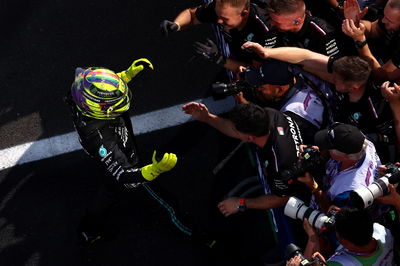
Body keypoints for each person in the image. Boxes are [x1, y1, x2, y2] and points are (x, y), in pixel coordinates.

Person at [65, 59, 178, 243]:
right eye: (114, 104)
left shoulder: (80, 86)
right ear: (99, 109)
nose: (121, 105)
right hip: (117, 162)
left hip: (113, 141)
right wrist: (155, 170)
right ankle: (88, 230)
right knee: (109, 191)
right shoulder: (98, 137)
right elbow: (124, 176)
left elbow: (97, 83)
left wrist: (123, 77)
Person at [242, 41, 397, 162]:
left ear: (354, 87)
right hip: (327, 111)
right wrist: (267, 52)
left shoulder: (375, 109)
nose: (331, 78)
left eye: (336, 80)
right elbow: (307, 57)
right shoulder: (345, 69)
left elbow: (387, 141)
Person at [161, 0, 279, 72]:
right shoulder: (222, 9)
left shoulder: (265, 29)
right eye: (218, 15)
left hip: (264, 66)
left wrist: (219, 59)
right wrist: (176, 25)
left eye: (224, 19)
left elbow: (257, 71)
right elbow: (192, 15)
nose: (219, 21)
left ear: (244, 13)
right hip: (237, 49)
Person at [236, 59, 336, 143]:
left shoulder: (292, 113)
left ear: (279, 90)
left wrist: (244, 104)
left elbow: (266, 134)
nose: (258, 89)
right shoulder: (302, 77)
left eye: (261, 86)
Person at [298, 123, 381, 213]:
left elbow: (329, 211)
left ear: (345, 156)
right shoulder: (361, 142)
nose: (326, 149)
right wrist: (314, 152)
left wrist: (313, 186)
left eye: (329, 148)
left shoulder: (351, 192)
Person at [301, 206, 394, 265]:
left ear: (345, 242)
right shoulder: (383, 232)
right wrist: (346, 214)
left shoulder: (340, 263)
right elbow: (359, 223)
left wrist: (312, 237)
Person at [341, 0, 400, 82]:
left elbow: (383, 76)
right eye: (384, 16)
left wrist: (361, 42)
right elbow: (373, 29)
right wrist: (356, 22)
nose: (383, 20)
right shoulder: (389, 17)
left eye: (389, 20)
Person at [265, 0, 344, 56]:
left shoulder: (322, 35)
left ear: (297, 21)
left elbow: (333, 66)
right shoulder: (278, 27)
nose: (271, 24)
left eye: (277, 22)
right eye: (271, 19)